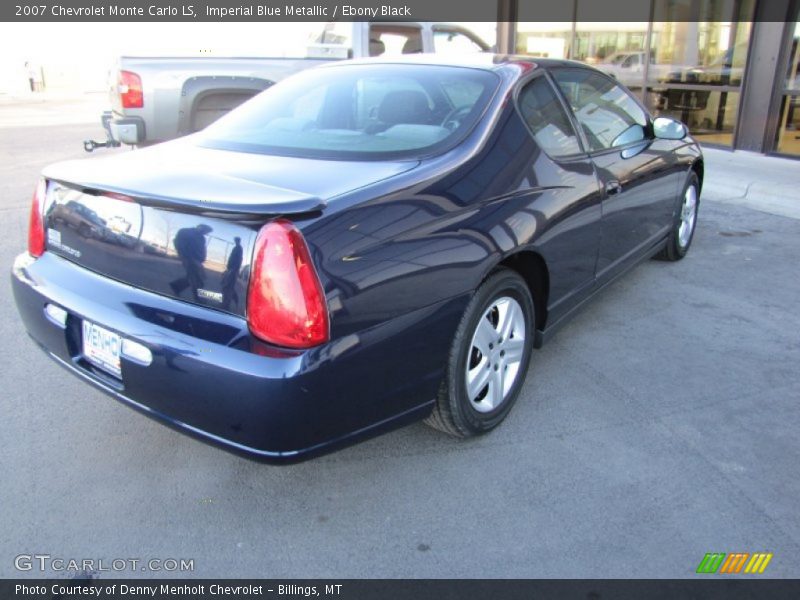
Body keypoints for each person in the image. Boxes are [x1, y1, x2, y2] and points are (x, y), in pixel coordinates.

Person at [169, 224, 212, 300]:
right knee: (195, 278)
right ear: (200, 227)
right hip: (189, 259)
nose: (205, 233)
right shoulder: (185, 231)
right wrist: (186, 257)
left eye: (206, 232)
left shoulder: (202, 238)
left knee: (201, 276)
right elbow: (178, 243)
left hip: (198, 261)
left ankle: (176, 286)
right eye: (205, 231)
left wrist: (202, 258)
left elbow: (203, 249)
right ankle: (198, 298)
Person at [221, 237, 243, 310]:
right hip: (231, 269)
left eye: (236, 240)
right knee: (228, 286)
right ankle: (227, 303)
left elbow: (238, 260)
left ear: (238, 241)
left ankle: (226, 305)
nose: (235, 241)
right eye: (235, 240)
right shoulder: (236, 247)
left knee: (228, 287)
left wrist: (233, 270)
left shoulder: (239, 248)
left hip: (233, 270)